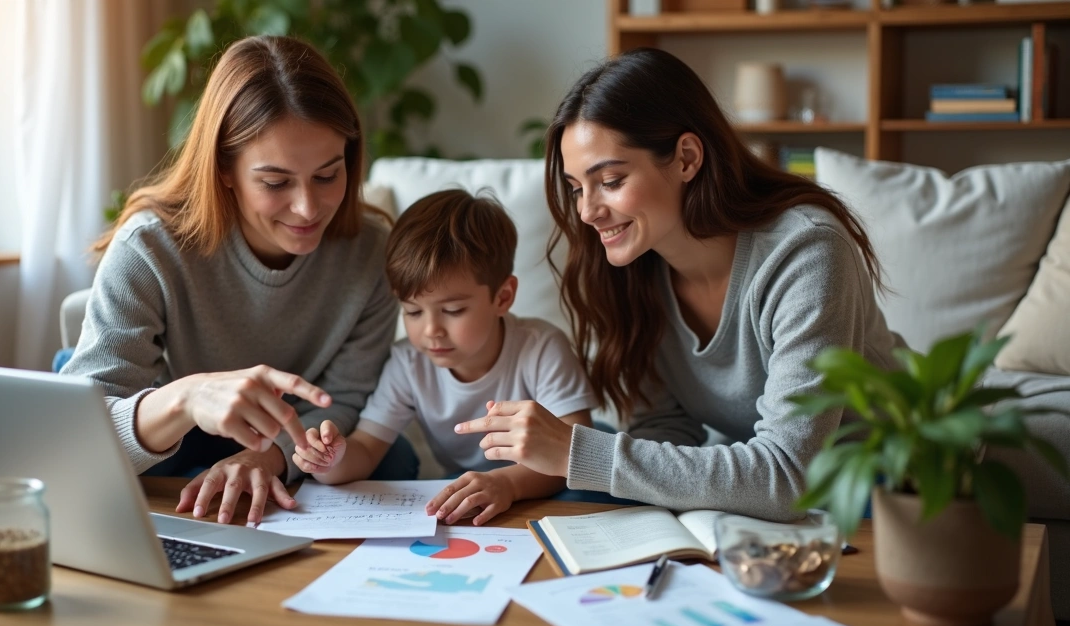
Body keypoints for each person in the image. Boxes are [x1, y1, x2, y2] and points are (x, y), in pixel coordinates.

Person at [455, 48, 901, 522]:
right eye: (576, 188)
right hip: (770, 483)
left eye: (610, 180)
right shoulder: (633, 268)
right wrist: (520, 476)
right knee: (572, 490)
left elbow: (787, 475)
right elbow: (665, 430)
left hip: (882, 480)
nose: (586, 212)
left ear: (686, 158)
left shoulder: (805, 251)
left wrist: (575, 452)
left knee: (587, 456)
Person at [60, 36, 401, 529]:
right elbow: (75, 441)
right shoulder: (149, 247)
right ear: (224, 168)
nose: (308, 208)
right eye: (276, 182)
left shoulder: (371, 251)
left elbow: (347, 398)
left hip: (289, 430)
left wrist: (269, 457)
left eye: (328, 175)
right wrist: (189, 396)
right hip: (171, 414)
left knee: (393, 460)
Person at [292, 189, 599, 525]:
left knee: (588, 492)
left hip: (545, 473)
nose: (431, 330)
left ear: (502, 297)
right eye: (413, 312)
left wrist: (507, 484)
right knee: (435, 481)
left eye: (453, 310)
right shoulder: (408, 363)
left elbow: (575, 457)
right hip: (477, 482)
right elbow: (366, 448)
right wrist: (330, 461)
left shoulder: (541, 348)